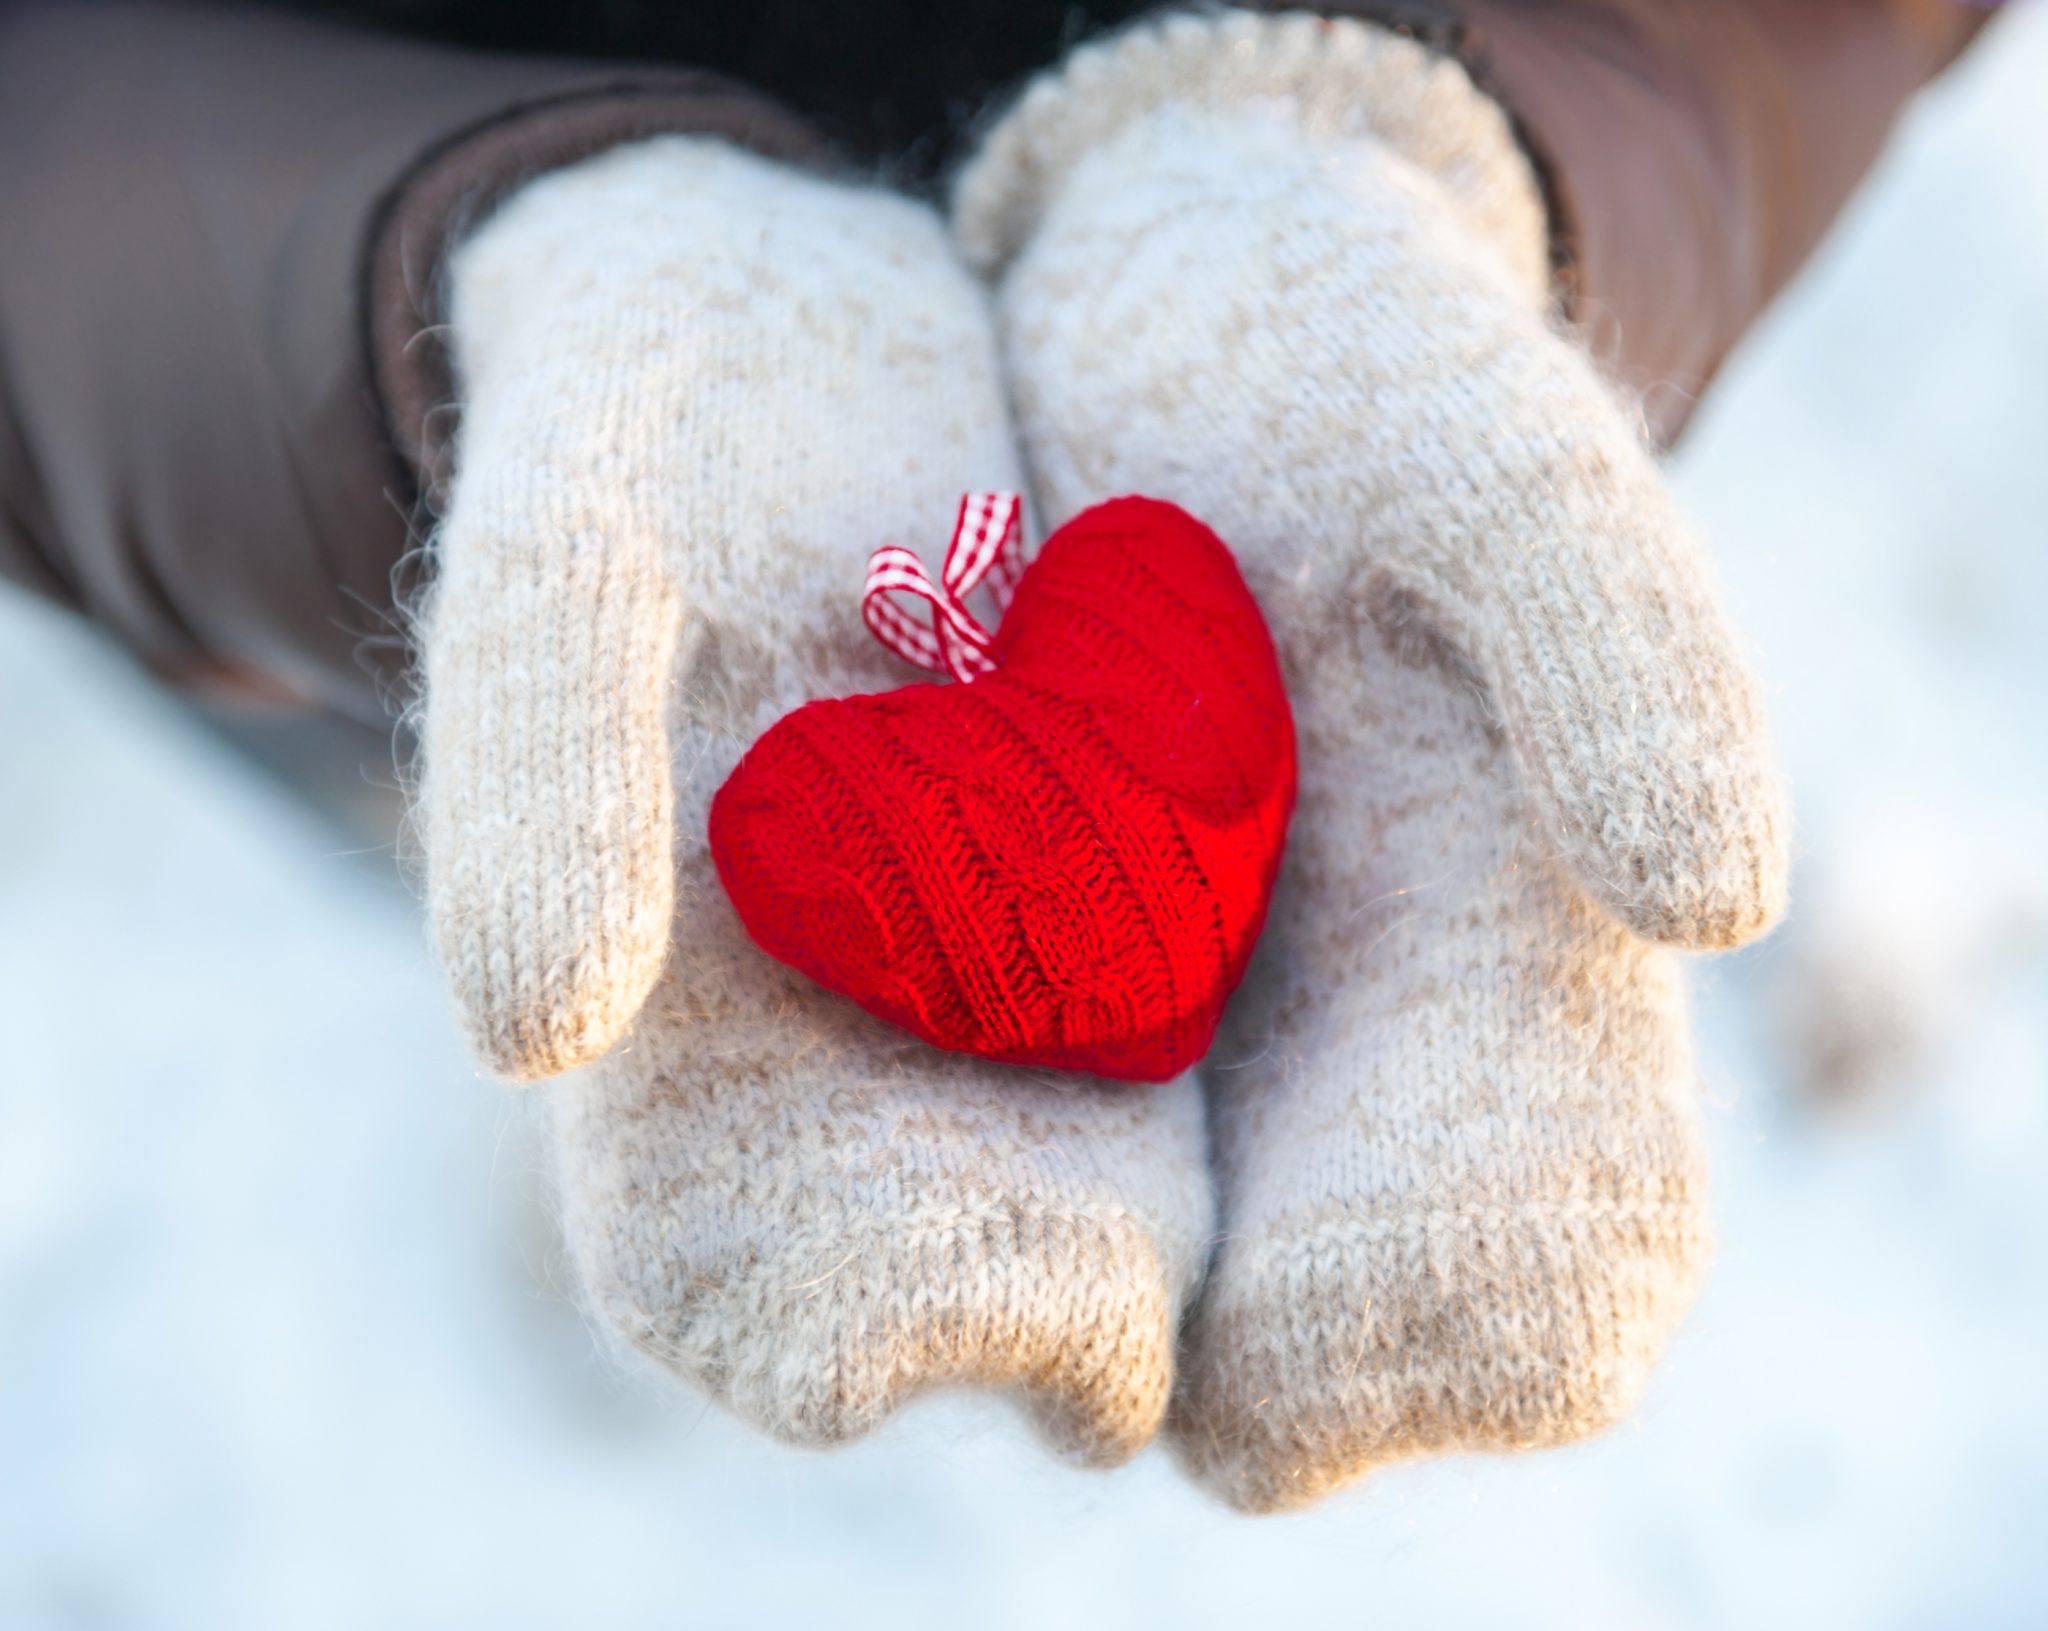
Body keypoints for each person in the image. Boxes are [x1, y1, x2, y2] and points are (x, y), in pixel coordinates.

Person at [0, 0, 1992, 1513]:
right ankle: (546, 1016)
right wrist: (408, 340)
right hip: (410, 445)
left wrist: (1441, 137)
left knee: (572, 803)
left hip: (1275, 183)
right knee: (545, 789)